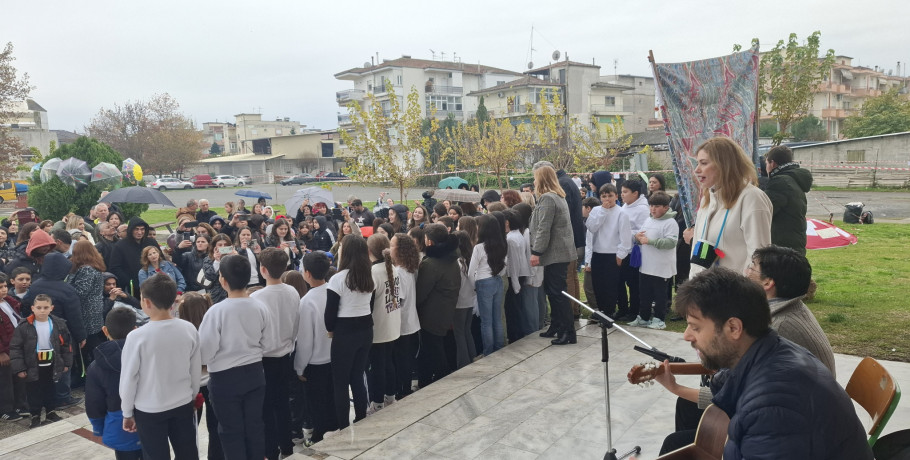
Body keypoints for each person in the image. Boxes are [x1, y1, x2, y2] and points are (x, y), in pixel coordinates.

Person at [658, 267, 871, 459]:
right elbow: (727, 387)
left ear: (733, 328)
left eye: (695, 327)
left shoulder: (772, 407)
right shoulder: (772, 348)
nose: (687, 336)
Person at [120, 273, 201, 459]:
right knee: (188, 452)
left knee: (156, 455)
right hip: (182, 402)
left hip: (149, 408)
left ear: (146, 302)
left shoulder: (137, 337)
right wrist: (192, 395)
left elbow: (129, 378)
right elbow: (194, 369)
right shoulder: (188, 328)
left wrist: (127, 411)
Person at [199, 254, 269, 460]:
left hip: (224, 378)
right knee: (254, 426)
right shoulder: (260, 306)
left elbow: (205, 351)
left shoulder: (216, 312)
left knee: (231, 430)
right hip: (255, 373)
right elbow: (267, 342)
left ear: (222, 280)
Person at [683, 137, 772, 277]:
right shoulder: (708, 199)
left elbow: (759, 257)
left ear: (724, 165)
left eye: (703, 163)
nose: (696, 170)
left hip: (734, 294)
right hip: (702, 293)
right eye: (697, 163)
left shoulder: (751, 198)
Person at [251, 248, 300, 459]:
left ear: (262, 270)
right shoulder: (293, 291)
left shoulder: (256, 297)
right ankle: (287, 448)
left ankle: (271, 451)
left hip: (265, 359)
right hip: (286, 355)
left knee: (267, 409)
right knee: (282, 405)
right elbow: (296, 324)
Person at [324, 235, 374, 429]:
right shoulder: (368, 275)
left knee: (340, 382)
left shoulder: (337, 279)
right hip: (366, 329)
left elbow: (329, 316)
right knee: (357, 375)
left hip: (345, 333)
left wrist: (331, 330)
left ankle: (343, 426)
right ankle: (361, 417)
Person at [530, 163, 579, 345]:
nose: (534, 181)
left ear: (541, 179)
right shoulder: (557, 196)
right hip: (558, 252)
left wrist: (536, 251)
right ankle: (556, 326)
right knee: (553, 291)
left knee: (558, 293)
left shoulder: (549, 199)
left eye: (535, 177)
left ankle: (568, 332)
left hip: (555, 254)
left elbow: (544, 228)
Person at [85, 307, 143, 459]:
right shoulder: (147, 355)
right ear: (135, 329)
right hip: (150, 420)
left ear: (105, 330)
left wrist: (98, 427)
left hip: (118, 424)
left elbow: (94, 401)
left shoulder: (96, 366)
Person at [9, 294, 73, 428]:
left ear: (51, 308)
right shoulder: (24, 325)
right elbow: (16, 348)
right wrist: (20, 368)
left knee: (50, 387)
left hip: (52, 362)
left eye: (45, 307)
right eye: (39, 307)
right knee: (33, 390)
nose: (42, 310)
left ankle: (51, 412)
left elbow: (66, 345)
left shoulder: (59, 323)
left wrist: (66, 363)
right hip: (32, 363)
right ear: (33, 308)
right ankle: (35, 415)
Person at [294, 251, 337, 444]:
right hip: (335, 357)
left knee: (318, 403)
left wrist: (299, 368)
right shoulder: (334, 292)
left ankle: (320, 436)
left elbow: (305, 340)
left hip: (316, 362)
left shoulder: (307, 302)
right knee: (333, 398)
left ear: (307, 273)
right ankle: (336, 429)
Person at [176, 293, 223, 460]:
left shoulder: (182, 333)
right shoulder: (214, 327)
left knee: (189, 432)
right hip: (214, 382)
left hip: (191, 389)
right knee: (216, 427)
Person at [415, 224, 460, 386]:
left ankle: (436, 379)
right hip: (446, 310)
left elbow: (421, 293)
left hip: (432, 314)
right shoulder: (451, 257)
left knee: (431, 349)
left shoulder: (431, 264)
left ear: (430, 242)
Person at [630, 191, 678, 330]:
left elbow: (671, 242)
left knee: (660, 295)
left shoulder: (671, 223)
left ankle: (659, 319)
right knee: (644, 293)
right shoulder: (648, 219)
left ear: (665, 207)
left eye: (656, 206)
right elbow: (642, 237)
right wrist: (637, 237)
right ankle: (643, 317)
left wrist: (650, 241)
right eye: (651, 205)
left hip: (661, 267)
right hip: (646, 265)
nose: (653, 209)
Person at [585, 184, 631, 321]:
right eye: (604, 196)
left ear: (616, 196)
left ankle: (609, 311)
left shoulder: (621, 213)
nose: (607, 199)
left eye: (610, 196)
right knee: (598, 284)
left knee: (611, 285)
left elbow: (625, 237)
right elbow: (591, 227)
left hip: (613, 254)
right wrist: (603, 211)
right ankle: (601, 309)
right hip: (598, 253)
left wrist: (620, 255)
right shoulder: (596, 211)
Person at [366, 234, 400, 414]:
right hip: (391, 323)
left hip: (378, 327)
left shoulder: (372, 272)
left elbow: (368, 304)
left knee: (377, 367)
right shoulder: (393, 268)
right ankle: (391, 397)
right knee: (388, 363)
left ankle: (377, 402)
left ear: (369, 251)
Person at [764, 145, 813, 255]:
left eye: (766, 163)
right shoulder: (792, 179)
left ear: (772, 163)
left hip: (782, 246)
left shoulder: (780, 182)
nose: (766, 167)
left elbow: (765, 211)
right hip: (793, 242)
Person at [389, 233, 421, 398]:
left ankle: (403, 390)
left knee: (402, 360)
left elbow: (398, 300)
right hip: (410, 321)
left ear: (400, 250)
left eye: (392, 245)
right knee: (405, 358)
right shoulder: (409, 268)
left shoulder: (399, 272)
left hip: (402, 323)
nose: (389, 247)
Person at [470, 215, 507, 356]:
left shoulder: (479, 247)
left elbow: (470, 271)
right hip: (497, 279)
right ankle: (499, 347)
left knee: (486, 321)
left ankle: (488, 351)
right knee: (497, 318)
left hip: (483, 282)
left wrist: (473, 286)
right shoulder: (503, 244)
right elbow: (504, 267)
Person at [68, 241, 107, 367]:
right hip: (94, 308)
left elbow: (81, 292)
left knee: (89, 342)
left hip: (87, 310)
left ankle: (88, 370)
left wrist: (66, 289)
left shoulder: (86, 269)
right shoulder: (95, 267)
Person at [618, 179, 649, 324]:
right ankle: (623, 309)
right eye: (621, 191)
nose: (622, 195)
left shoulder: (643, 209)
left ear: (635, 193)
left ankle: (634, 311)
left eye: (625, 192)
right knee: (620, 281)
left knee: (634, 283)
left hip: (634, 252)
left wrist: (626, 233)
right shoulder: (626, 205)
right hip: (622, 249)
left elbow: (642, 231)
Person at [0, 273, 29, 422]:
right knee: (5, 381)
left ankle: (20, 405)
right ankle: (5, 409)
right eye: (0, 287)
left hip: (16, 346)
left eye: (5, 286)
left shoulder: (9, 302)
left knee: (19, 377)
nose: (4, 290)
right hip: (4, 350)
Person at [109, 217, 158, 298]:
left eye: (142, 229)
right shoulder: (120, 246)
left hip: (154, 283)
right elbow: (115, 267)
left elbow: (161, 260)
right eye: (136, 229)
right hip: (132, 287)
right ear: (131, 230)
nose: (140, 232)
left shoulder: (151, 242)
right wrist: (130, 281)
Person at [503, 209, 533, 340]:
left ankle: (515, 335)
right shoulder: (516, 235)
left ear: (507, 222)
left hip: (514, 276)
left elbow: (513, 263)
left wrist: (515, 285)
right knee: (516, 306)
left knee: (513, 308)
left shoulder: (511, 239)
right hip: (518, 274)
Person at [452, 231, 477, 369]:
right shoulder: (470, 258)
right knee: (466, 330)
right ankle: (472, 356)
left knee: (459, 333)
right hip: (470, 300)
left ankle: (463, 363)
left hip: (460, 302)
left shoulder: (458, 262)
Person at [202, 234, 233, 304]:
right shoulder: (208, 259)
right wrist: (217, 261)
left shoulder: (234, 256)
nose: (223, 247)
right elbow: (209, 276)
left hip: (233, 293)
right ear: (214, 246)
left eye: (225, 245)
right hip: (216, 296)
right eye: (220, 245)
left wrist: (236, 257)